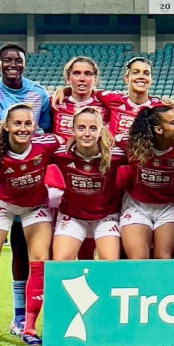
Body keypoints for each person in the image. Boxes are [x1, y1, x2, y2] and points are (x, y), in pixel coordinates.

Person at [0, 43, 51, 337]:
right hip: (0, 189)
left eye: (18, 60)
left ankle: (22, 320)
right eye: (7, 60)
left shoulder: (40, 94)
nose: (13, 64)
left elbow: (50, 134)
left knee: (25, 251)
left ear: (25, 64)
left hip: (31, 192)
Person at [0, 104, 60, 346]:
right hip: (2, 206)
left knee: (40, 262)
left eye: (28, 123)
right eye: (18, 123)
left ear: (35, 126)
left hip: (35, 207)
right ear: (7, 126)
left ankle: (29, 327)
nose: (23, 128)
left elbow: (72, 145)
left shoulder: (47, 144)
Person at [50, 107, 127, 261]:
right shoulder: (61, 154)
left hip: (106, 216)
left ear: (101, 130)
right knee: (61, 263)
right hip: (72, 216)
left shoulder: (116, 156)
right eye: (81, 128)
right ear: (72, 130)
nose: (86, 133)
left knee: (110, 264)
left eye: (93, 128)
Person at [121, 105, 174, 260]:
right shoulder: (131, 146)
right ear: (158, 130)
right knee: (138, 259)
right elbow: (100, 138)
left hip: (170, 208)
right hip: (137, 207)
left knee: (163, 259)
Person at [51, 57, 102, 140]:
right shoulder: (54, 102)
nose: (82, 79)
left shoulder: (106, 104)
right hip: (60, 152)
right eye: (76, 73)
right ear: (68, 78)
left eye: (87, 74)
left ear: (95, 79)